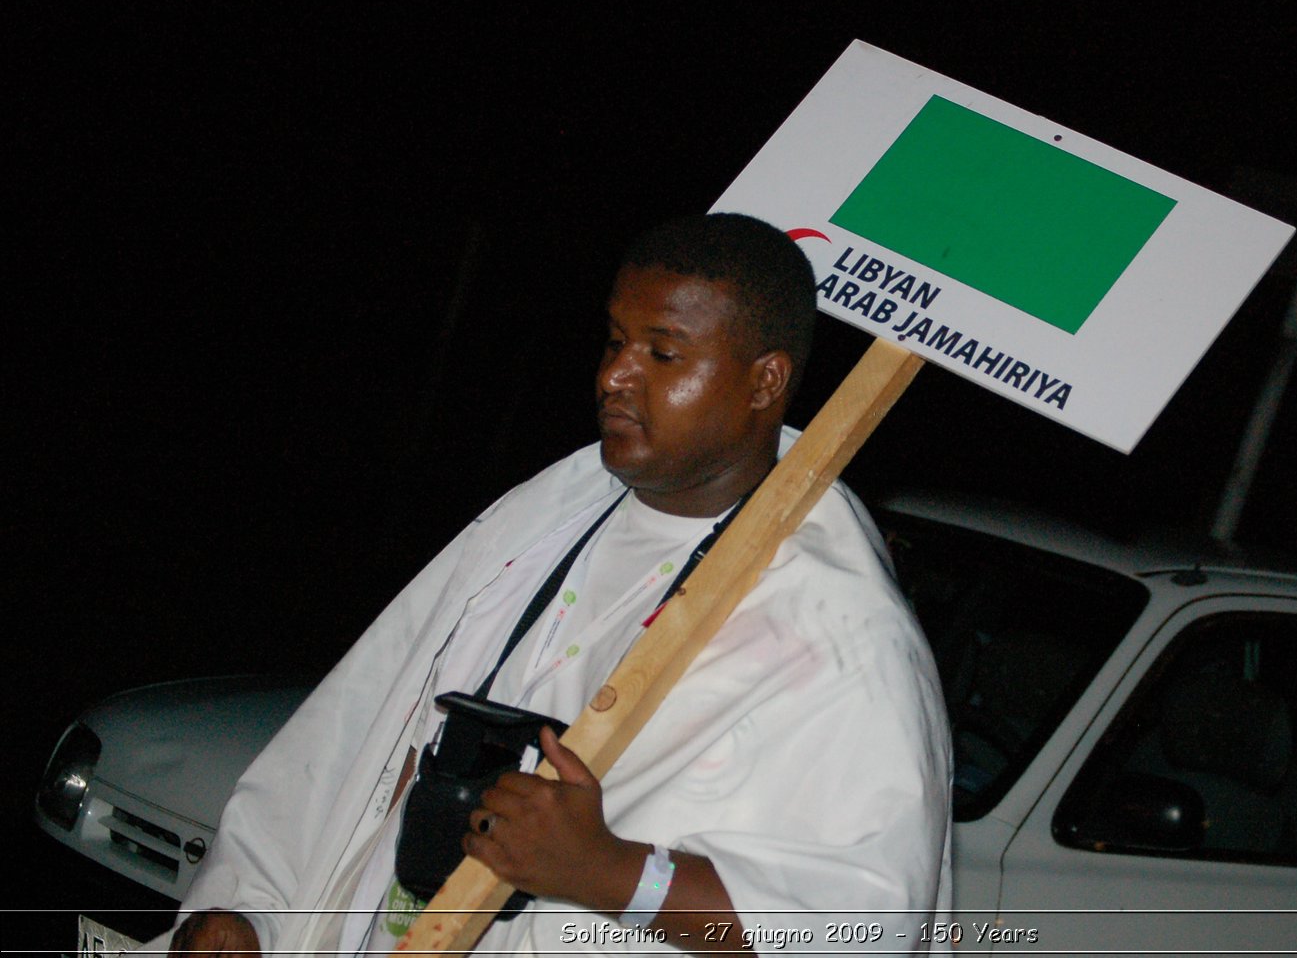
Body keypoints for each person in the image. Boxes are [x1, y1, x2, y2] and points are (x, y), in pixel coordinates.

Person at [160, 214, 952, 956]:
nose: (615, 376)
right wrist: (253, 909)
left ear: (762, 382)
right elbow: (355, 735)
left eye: (662, 354)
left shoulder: (840, 632)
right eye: (614, 341)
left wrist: (609, 872)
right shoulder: (550, 514)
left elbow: (862, 927)